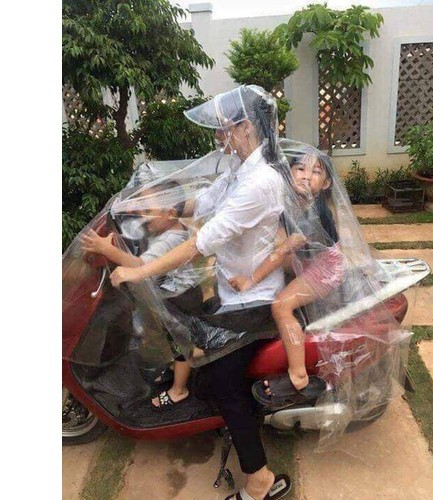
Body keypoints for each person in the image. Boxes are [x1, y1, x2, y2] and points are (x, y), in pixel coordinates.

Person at [109, 85, 291, 500]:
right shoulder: (238, 170)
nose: (218, 135)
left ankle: (259, 478)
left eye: (224, 127)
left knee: (224, 382)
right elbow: (204, 201)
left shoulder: (260, 182)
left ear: (246, 128)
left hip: (256, 300)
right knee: (192, 339)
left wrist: (140, 271)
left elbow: (199, 243)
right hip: (231, 291)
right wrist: (159, 209)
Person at [228, 148, 345, 410]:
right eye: (300, 169)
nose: (306, 176)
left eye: (316, 172)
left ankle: (298, 375)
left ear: (326, 183)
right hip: (307, 260)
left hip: (325, 268)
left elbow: (283, 250)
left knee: (281, 305)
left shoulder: (316, 213)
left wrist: (250, 280)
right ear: (288, 174)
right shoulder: (290, 204)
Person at [81, 181, 203, 409]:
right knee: (173, 337)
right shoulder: (166, 229)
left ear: (170, 213)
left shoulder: (171, 239)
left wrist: (107, 249)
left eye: (147, 210)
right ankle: (176, 369)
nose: (142, 217)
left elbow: (139, 265)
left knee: (181, 341)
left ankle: (179, 390)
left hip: (181, 298)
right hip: (174, 295)